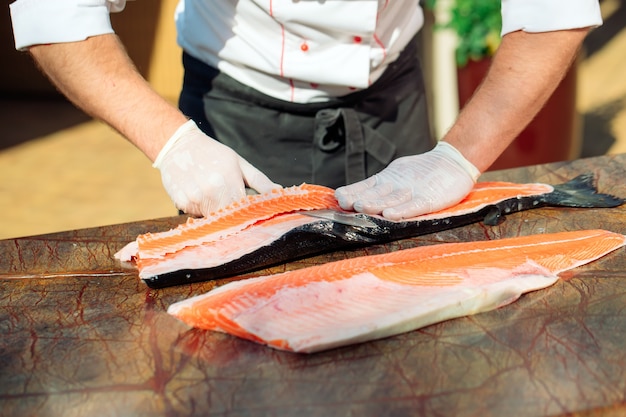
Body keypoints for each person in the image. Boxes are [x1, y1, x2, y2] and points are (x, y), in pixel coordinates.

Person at [9, 0, 601, 220]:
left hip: (392, 93)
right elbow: (55, 13)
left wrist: (456, 160)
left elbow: (553, 14)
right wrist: (171, 142)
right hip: (235, 105)